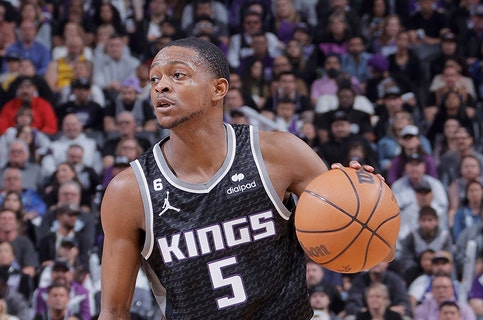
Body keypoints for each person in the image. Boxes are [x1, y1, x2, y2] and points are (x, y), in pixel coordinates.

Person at [98, 37, 380, 319]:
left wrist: (369, 203)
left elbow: (372, 244)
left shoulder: (281, 154)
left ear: (218, 89)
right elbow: (113, 312)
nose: (161, 85)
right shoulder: (130, 191)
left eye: (178, 74)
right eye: (154, 78)